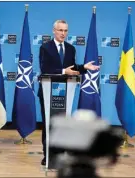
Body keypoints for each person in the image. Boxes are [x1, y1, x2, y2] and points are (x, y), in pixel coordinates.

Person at [38, 20, 100, 166]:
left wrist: (84, 67)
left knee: (63, 125)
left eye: (65, 31)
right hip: (47, 92)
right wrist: (63, 71)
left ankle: (60, 154)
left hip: (65, 93)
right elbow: (44, 69)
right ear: (54, 31)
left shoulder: (71, 48)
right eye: (60, 30)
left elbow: (71, 68)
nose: (63, 33)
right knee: (49, 124)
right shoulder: (45, 47)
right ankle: (48, 155)